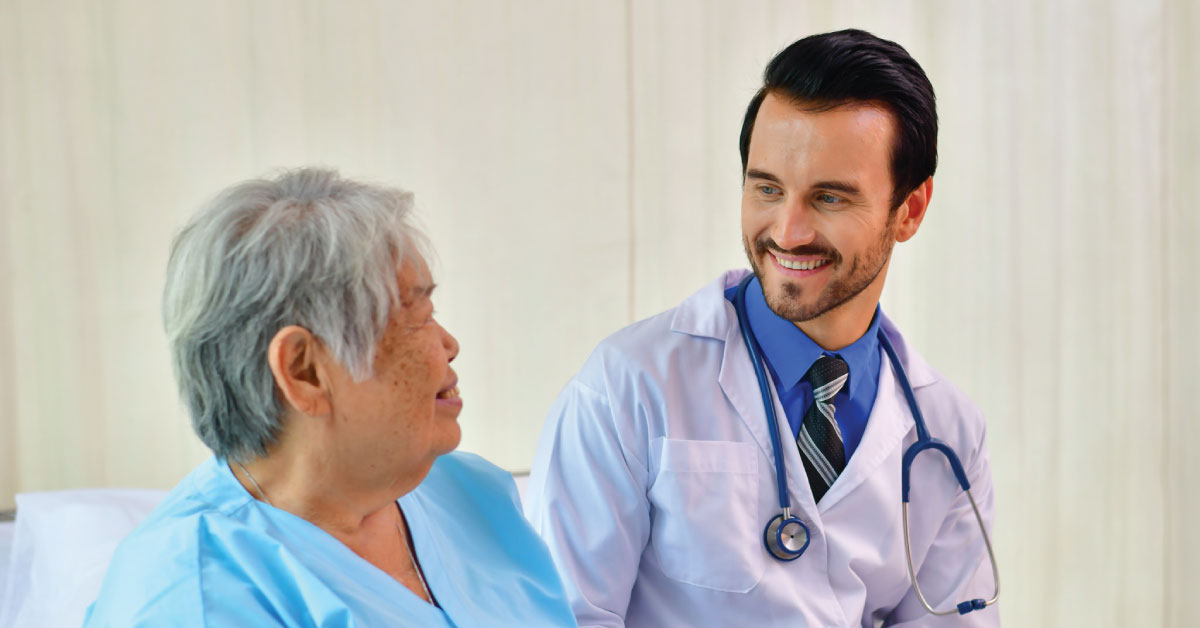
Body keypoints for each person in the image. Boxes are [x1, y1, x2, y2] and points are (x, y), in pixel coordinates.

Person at [525, 29, 999, 627]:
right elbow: (560, 618)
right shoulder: (628, 386)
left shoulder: (948, 433)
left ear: (909, 211)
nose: (788, 230)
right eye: (767, 188)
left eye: (829, 197)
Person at [85, 168, 578, 627]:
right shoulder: (194, 598)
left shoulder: (468, 493)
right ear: (304, 371)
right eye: (417, 317)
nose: (448, 344)